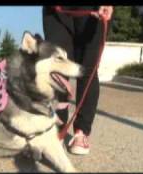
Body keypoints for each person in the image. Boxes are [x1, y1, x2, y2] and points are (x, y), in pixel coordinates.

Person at [42, 6, 113, 155]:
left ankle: (81, 132)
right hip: (55, 11)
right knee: (57, 68)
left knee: (88, 69)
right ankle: (56, 128)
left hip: (93, 10)